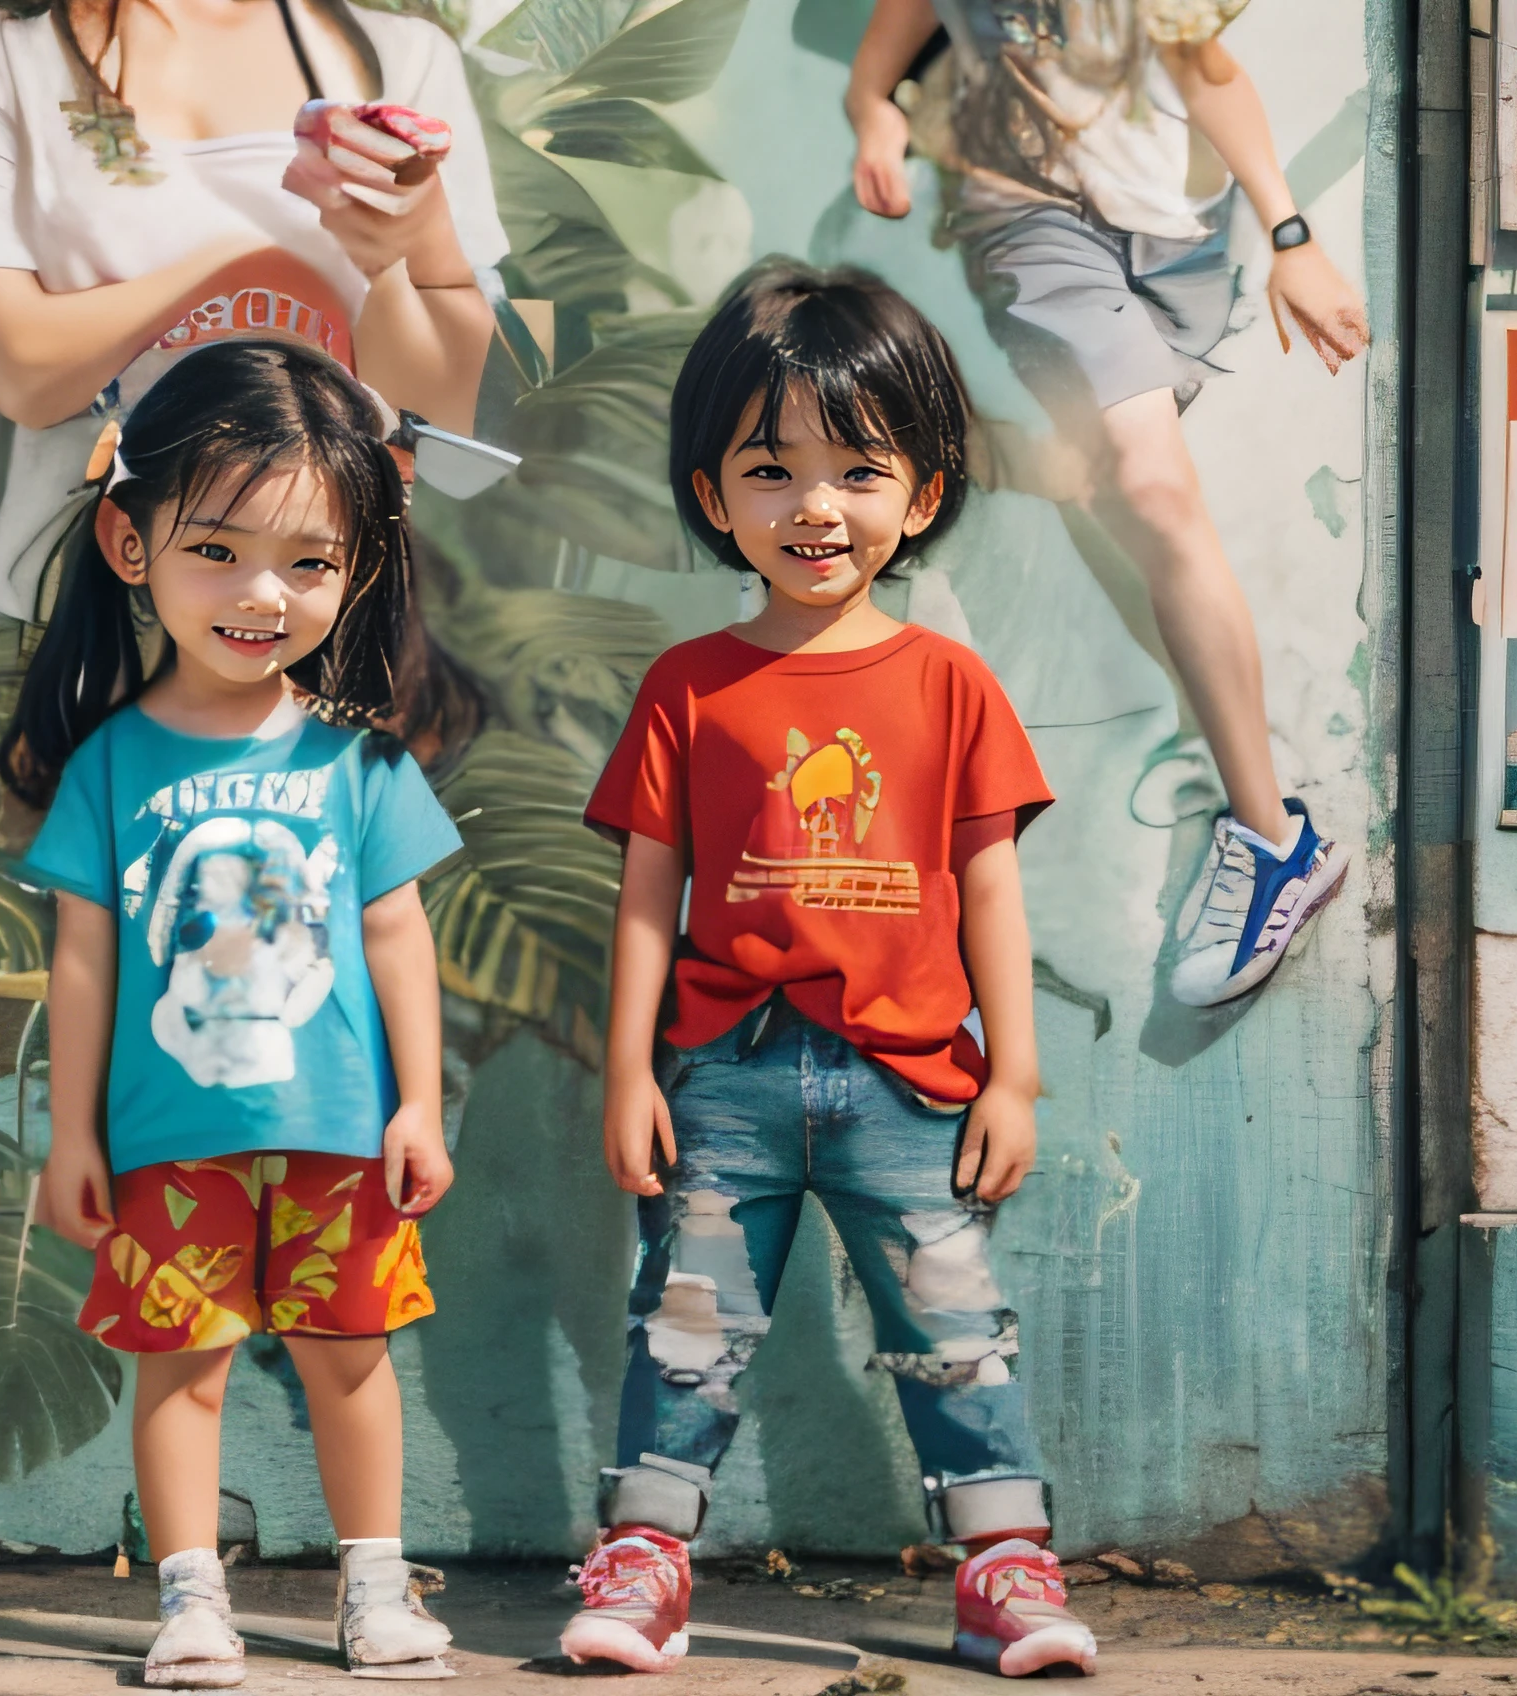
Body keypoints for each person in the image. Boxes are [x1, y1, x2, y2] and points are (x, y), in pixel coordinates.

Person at [557, 263, 1098, 1680]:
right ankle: (646, 1562)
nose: (815, 506)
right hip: (724, 1080)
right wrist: (629, 1069)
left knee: (956, 1330)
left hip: (908, 1081)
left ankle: (1005, 1571)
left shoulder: (950, 685)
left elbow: (990, 886)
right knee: (688, 1324)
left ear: (920, 495)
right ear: (712, 493)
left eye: (857, 469)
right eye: (771, 469)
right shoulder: (688, 685)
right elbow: (647, 895)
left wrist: (1017, 1076)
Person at [7, 340, 464, 1686]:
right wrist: (73, 1137)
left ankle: (373, 1586)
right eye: (218, 549)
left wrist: (421, 1101)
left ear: (358, 570)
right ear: (130, 542)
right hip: (165, 1141)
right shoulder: (111, 766)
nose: (263, 595)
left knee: (349, 1360)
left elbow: (398, 937)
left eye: (309, 563)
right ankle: (191, 1599)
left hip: (338, 1138)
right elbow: (82, 964)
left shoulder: (359, 760)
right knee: (182, 1367)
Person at [844, 0, 1362, 1007]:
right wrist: (876, 119)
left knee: (1120, 504)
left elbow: (1208, 73)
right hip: (1030, 226)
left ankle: (1238, 770)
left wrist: (1293, 237)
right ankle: (1275, 841)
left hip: (1176, 238)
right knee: (1150, 487)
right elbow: (879, 58)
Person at [0, 0, 506, 623]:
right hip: (95, 596)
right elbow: (24, 373)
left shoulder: (406, 59)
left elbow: (429, 418)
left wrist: (407, 252)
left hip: (326, 600)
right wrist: (238, 262)